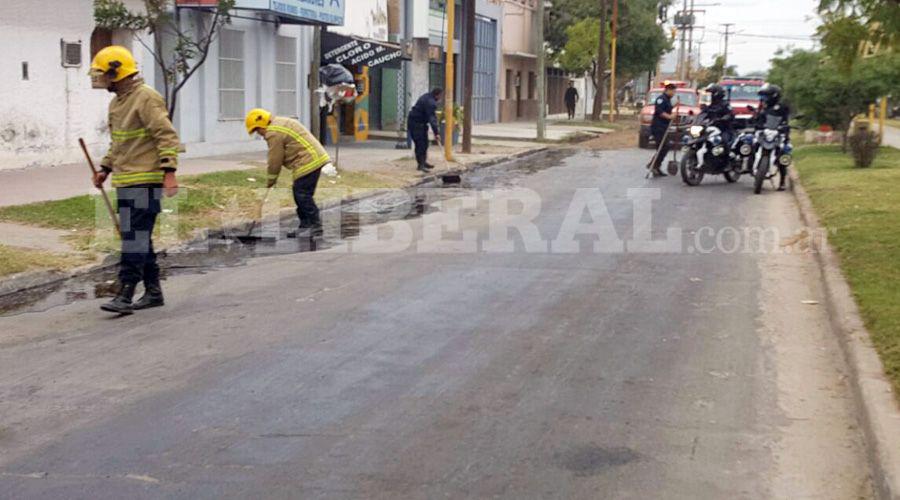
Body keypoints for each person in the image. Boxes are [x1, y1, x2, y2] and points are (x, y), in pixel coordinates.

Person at [90, 46, 180, 315]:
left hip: (146, 180)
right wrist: (104, 168)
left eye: (103, 74)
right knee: (140, 239)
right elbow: (119, 143)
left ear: (116, 72)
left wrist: (170, 172)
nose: (100, 79)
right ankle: (153, 292)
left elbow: (166, 136)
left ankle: (125, 293)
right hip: (126, 180)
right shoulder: (117, 103)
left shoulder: (146, 98)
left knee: (134, 240)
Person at [244, 108, 332, 235]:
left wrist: (271, 180)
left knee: (302, 194)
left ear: (262, 125)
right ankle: (306, 225)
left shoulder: (273, 133)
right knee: (301, 193)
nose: (260, 135)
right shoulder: (281, 122)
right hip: (314, 158)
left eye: (258, 130)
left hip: (308, 160)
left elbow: (275, 160)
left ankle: (314, 225)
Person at [754, 83, 791, 191]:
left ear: (773, 96)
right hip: (764, 132)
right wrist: (756, 123)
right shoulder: (762, 106)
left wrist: (784, 127)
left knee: (783, 153)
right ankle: (747, 164)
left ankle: (782, 181)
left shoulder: (782, 107)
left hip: (778, 133)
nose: (764, 98)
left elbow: (785, 120)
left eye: (766, 96)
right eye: (763, 96)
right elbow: (759, 118)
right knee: (752, 143)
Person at [407, 88, 443, 172]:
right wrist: (436, 133)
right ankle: (420, 165)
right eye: (441, 96)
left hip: (421, 124)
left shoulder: (427, 96)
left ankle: (423, 162)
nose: (441, 98)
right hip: (415, 124)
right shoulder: (431, 103)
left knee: (425, 144)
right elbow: (432, 119)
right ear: (437, 95)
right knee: (420, 145)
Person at [649, 82, 677, 176]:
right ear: (668, 90)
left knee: (664, 147)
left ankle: (656, 166)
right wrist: (670, 117)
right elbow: (660, 111)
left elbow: (667, 109)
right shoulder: (661, 99)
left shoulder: (668, 100)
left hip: (664, 127)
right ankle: (653, 165)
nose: (674, 93)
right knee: (663, 146)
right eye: (673, 91)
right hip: (658, 127)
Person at [701, 83, 736, 149]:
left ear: (716, 94)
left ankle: (727, 157)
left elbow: (730, 114)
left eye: (710, 93)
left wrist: (723, 118)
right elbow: (702, 114)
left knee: (724, 141)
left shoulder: (725, 104)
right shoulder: (708, 105)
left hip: (723, 129)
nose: (709, 95)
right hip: (709, 127)